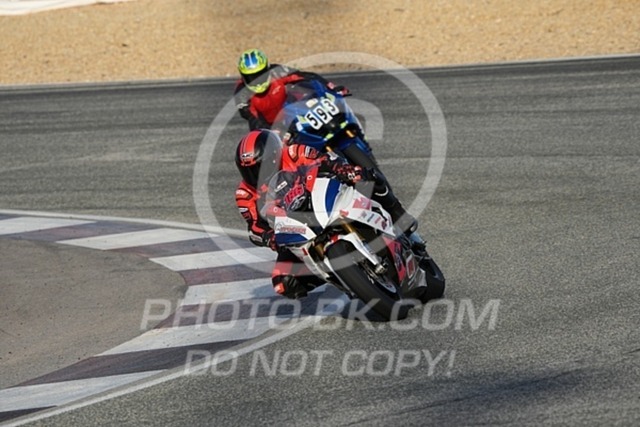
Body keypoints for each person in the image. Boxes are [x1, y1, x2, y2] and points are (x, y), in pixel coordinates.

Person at [233, 48, 421, 238]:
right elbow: (253, 120)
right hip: (278, 130)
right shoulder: (242, 94)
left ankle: (393, 208)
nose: (257, 79)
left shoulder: (278, 71)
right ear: (243, 76)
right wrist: (272, 134)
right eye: (252, 76)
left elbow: (307, 77)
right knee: (297, 166)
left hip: (296, 115)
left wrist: (329, 87)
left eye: (260, 74)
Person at [235, 129, 372, 299]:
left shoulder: (293, 152)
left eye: (259, 167)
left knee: (369, 178)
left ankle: (394, 212)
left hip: (318, 196)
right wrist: (270, 238)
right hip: (292, 226)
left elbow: (324, 159)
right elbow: (254, 226)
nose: (255, 174)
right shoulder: (244, 194)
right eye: (248, 170)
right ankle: (346, 280)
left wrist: (344, 170)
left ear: (274, 156)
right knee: (283, 283)